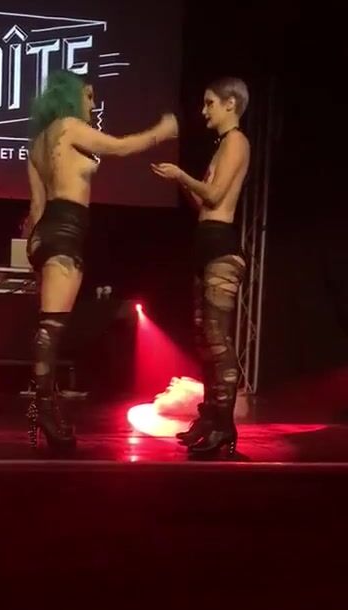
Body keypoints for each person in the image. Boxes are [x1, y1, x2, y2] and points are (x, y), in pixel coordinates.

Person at [25, 69, 178, 449]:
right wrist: (162, 132)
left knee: (50, 325)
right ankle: (43, 411)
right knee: (51, 328)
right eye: (89, 95)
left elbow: (36, 206)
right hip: (65, 230)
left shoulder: (38, 143)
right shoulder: (69, 128)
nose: (93, 103)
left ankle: (45, 408)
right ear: (71, 96)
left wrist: (34, 248)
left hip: (45, 232)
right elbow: (120, 147)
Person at [152, 77, 250, 457]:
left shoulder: (237, 141)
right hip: (206, 244)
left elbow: (216, 194)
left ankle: (224, 425)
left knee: (217, 337)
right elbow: (206, 204)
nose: (204, 110)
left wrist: (181, 175)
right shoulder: (222, 145)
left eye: (210, 103)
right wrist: (181, 183)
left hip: (222, 249)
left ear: (230, 104)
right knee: (204, 338)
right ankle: (209, 419)